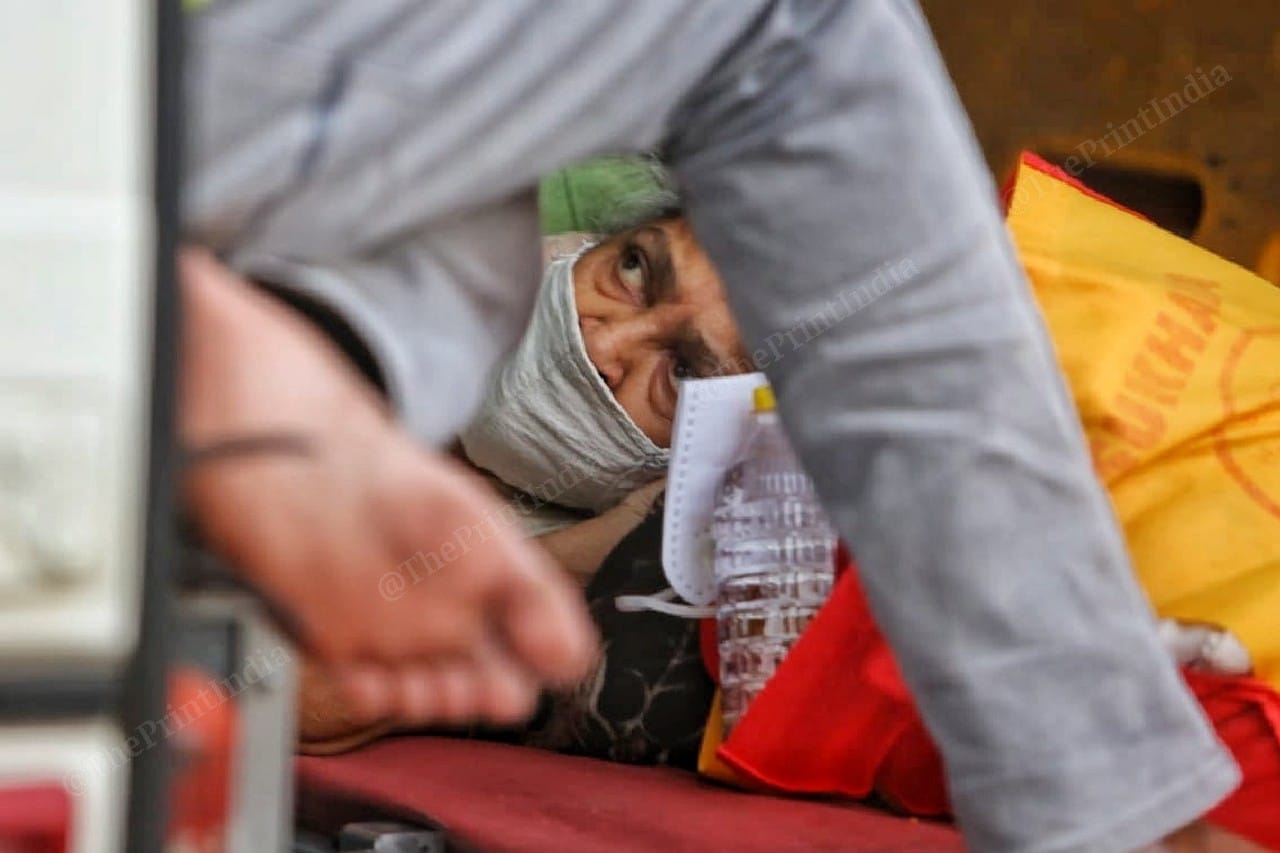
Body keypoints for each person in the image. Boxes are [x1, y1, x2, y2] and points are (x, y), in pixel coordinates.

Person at [183, 2, 1253, 849]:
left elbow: (289, 687)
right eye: (632, 269)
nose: (609, 342)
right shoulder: (480, 240)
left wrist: (572, 556)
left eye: (674, 373)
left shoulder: (518, 533)